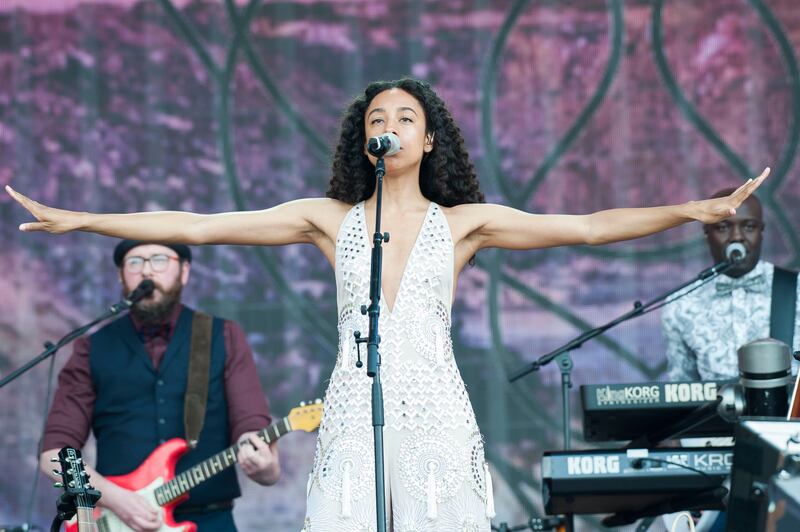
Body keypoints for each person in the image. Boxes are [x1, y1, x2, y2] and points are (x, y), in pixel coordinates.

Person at [8, 78, 768, 531]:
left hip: (434, 403)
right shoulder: (329, 218)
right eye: (377, 119)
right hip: (355, 398)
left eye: (404, 118)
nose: (389, 127)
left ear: (430, 139)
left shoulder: (463, 224)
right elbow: (199, 225)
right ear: (361, 139)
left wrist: (691, 210)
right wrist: (84, 219)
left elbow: (589, 228)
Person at [38, 239, 280, 531]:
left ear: (185, 271)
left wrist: (263, 463)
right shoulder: (92, 347)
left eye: (160, 260)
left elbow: (250, 424)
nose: (147, 272)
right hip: (118, 522)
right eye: (135, 262)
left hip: (209, 520)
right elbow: (54, 455)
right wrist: (115, 499)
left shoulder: (223, 335)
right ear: (120, 275)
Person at [663, 190, 800, 382]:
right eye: (723, 227)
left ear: (762, 232)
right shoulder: (680, 304)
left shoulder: (796, 290)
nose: (737, 237)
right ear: (706, 234)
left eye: (749, 227)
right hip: (714, 412)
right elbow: (681, 389)